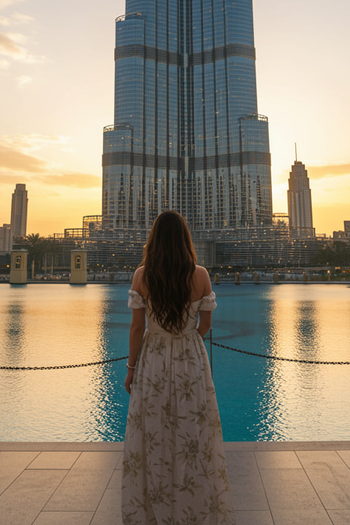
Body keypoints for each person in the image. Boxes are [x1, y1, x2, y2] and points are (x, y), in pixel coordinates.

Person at [121, 210, 235, 525]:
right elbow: (207, 324)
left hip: (153, 357)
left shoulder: (142, 275)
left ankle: (155, 509)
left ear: (154, 240)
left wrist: (132, 367)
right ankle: (193, 507)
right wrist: (186, 342)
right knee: (193, 433)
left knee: (153, 431)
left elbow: (135, 328)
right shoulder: (200, 275)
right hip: (191, 360)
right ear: (185, 240)